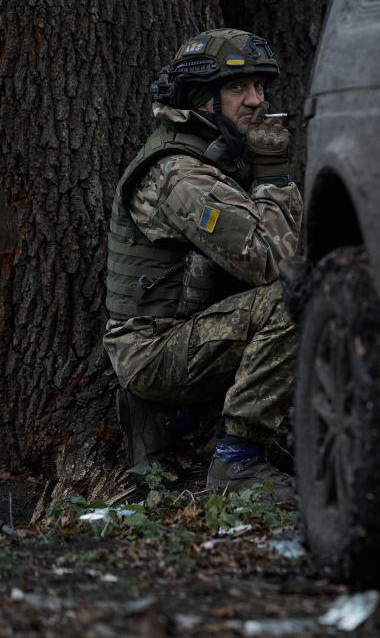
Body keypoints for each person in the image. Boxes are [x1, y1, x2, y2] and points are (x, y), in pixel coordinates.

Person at [103, 28, 302, 502]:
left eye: (259, 87)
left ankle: (204, 427)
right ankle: (235, 466)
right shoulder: (180, 171)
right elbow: (274, 267)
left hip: (192, 332)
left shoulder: (222, 156)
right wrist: (274, 176)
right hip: (152, 352)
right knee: (301, 295)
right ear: (199, 98)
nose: (255, 101)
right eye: (237, 88)